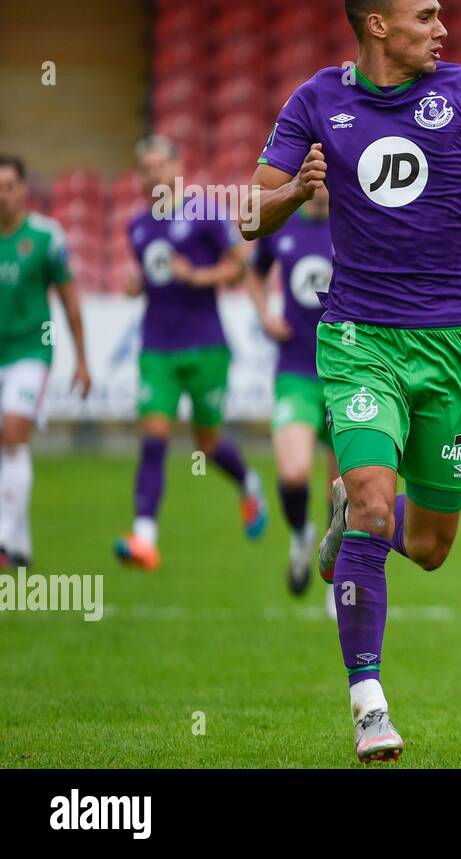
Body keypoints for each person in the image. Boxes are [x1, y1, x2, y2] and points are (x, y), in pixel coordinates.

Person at [243, 0, 461, 762]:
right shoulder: (317, 100)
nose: (442, 29)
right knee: (376, 503)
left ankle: (353, 516)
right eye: (426, 16)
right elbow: (248, 214)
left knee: (433, 545)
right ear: (377, 25)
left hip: (451, 343)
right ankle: (369, 701)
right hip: (358, 337)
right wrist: (289, 194)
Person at [115, 136, 266, 569]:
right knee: (154, 437)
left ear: (178, 167)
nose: (152, 175)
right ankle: (145, 536)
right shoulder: (138, 227)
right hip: (156, 348)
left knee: (208, 443)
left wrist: (197, 275)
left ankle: (248, 483)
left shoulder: (202, 212)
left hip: (206, 346)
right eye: (145, 168)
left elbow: (239, 265)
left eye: (160, 166)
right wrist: (138, 284)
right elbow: (154, 276)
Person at [246, 185, 339, 605]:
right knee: (294, 473)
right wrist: (265, 315)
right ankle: (301, 534)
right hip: (295, 371)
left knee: (342, 492)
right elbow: (254, 270)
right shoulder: (280, 227)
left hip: (346, 373)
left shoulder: (354, 222)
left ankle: (338, 582)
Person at [0, 154, 91, 568]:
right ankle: (20, 543)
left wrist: (82, 360)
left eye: (10, 187)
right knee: (8, 446)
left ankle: (2, 537)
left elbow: (70, 300)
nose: (3, 196)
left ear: (23, 190)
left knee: (14, 431)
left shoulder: (44, 237)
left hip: (31, 350)